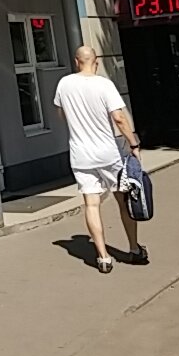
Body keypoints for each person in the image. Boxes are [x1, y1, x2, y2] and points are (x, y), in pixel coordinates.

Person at [54, 45, 149, 273]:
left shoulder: (64, 84)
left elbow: (61, 114)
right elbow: (119, 118)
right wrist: (133, 144)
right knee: (123, 200)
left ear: (76, 62)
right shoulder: (104, 85)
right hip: (108, 153)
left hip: (80, 155)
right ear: (95, 62)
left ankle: (103, 257)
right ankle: (134, 249)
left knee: (91, 204)